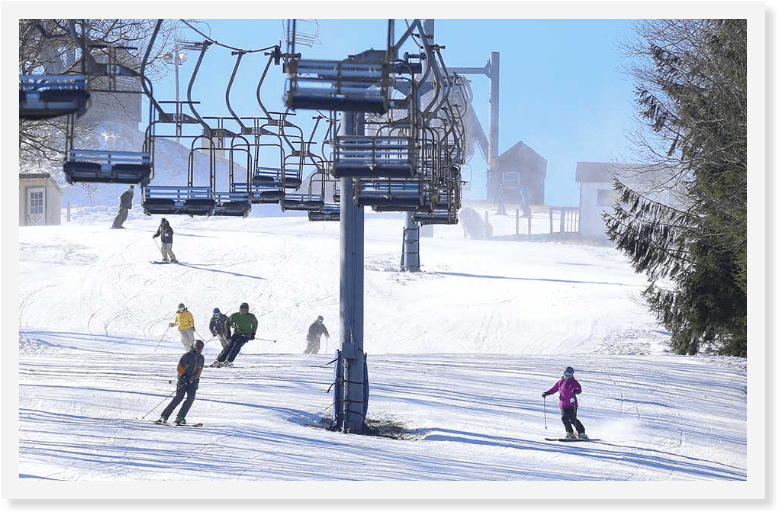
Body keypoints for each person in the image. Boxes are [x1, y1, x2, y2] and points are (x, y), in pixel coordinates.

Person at [157, 339, 205, 426]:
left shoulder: (201, 358)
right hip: (183, 380)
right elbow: (179, 367)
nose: (200, 349)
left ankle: (180, 417)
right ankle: (164, 416)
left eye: (201, 348)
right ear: (194, 346)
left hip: (192, 381)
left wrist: (197, 381)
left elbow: (199, 371)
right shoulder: (187, 356)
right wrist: (183, 376)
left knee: (190, 399)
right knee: (179, 398)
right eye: (198, 347)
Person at [542, 366, 588, 439]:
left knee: (572, 419)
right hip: (563, 404)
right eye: (566, 373)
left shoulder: (573, 382)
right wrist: (546, 393)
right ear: (564, 373)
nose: (568, 376)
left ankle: (581, 432)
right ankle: (570, 433)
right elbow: (554, 389)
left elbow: (579, 389)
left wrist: (576, 391)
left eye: (570, 374)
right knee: (564, 418)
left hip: (572, 404)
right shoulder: (560, 382)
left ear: (572, 375)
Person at [212, 302, 258, 367]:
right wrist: (228, 332)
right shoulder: (235, 315)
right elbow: (227, 323)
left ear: (247, 310)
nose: (243, 311)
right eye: (242, 310)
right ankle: (219, 360)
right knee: (229, 346)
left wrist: (253, 333)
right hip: (236, 334)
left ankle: (229, 361)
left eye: (245, 310)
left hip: (246, 335)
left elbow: (255, 325)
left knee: (236, 345)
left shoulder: (251, 316)